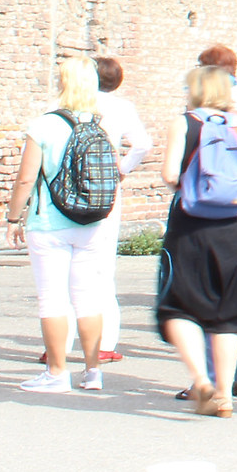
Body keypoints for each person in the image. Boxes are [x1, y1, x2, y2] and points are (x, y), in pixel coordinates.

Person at [157, 64, 237, 415]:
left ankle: (201, 381)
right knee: (225, 315)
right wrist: (228, 191)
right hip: (233, 228)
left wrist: (195, 188)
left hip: (189, 227)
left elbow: (169, 174)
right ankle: (224, 394)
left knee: (178, 306)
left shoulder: (185, 123)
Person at [6, 56, 113, 393]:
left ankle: (56, 373)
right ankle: (93, 371)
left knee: (53, 299)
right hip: (91, 223)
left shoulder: (44, 125)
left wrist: (12, 217)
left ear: (63, 83)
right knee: (88, 298)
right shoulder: (99, 125)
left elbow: (26, 179)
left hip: (50, 222)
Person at [90, 55, 152, 366]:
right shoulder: (122, 107)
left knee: (64, 266)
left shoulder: (70, 103)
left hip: (67, 192)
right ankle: (105, 341)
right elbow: (142, 144)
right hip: (105, 188)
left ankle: (57, 340)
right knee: (102, 266)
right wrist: (122, 169)